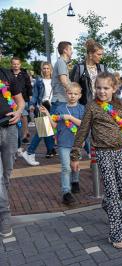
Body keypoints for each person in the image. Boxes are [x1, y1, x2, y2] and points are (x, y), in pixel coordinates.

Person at [70, 72, 122, 249]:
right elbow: (82, 131)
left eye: (106, 88)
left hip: (120, 151)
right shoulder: (92, 107)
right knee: (113, 193)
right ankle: (117, 234)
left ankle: (106, 203)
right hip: (102, 153)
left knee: (121, 189)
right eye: (98, 88)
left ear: (114, 89)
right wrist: (75, 155)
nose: (102, 91)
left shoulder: (120, 104)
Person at [39, 83, 84, 204]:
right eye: (70, 93)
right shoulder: (60, 108)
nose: (72, 96)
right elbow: (54, 125)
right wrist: (47, 114)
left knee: (75, 166)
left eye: (75, 94)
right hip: (63, 142)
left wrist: (69, 117)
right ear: (66, 94)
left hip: (77, 143)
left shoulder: (81, 109)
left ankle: (75, 181)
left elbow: (83, 124)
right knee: (65, 167)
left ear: (80, 95)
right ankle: (66, 192)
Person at [0, 72, 25, 237]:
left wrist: (19, 112)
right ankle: (4, 215)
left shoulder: (7, 75)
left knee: (6, 176)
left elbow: (20, 101)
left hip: (9, 129)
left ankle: (2, 203)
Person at [21, 62, 56, 166]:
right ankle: (29, 152)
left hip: (53, 107)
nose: (46, 70)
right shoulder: (39, 81)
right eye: (44, 68)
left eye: (48, 68)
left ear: (51, 69)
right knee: (42, 131)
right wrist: (32, 104)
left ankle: (50, 150)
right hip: (42, 107)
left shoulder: (55, 81)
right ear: (42, 69)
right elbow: (35, 95)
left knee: (47, 131)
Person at [70, 39, 107, 106]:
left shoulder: (102, 68)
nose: (101, 57)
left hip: (103, 105)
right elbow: (73, 89)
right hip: (85, 106)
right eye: (99, 54)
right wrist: (77, 108)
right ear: (90, 54)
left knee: (116, 116)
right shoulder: (79, 68)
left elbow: (108, 87)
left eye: (102, 54)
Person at [10, 57, 32, 148]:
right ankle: (17, 136)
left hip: (24, 98)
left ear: (20, 64)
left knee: (24, 116)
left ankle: (25, 133)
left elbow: (29, 86)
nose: (16, 66)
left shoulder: (24, 74)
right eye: (14, 64)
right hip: (12, 99)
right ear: (11, 64)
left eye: (17, 64)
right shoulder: (9, 74)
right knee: (16, 117)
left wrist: (30, 96)